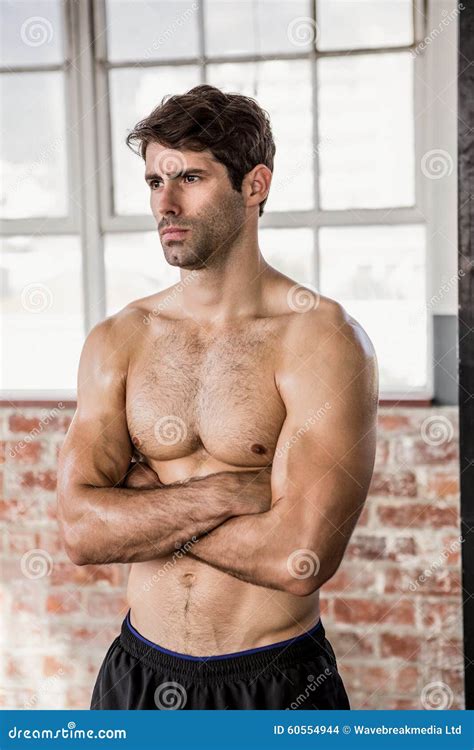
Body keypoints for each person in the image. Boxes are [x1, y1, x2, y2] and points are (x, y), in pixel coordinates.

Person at [57, 84, 379, 710]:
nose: (166, 204)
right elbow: (79, 532)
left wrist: (141, 506)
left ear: (254, 185)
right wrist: (230, 493)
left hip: (274, 680)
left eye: (191, 178)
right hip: (137, 674)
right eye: (155, 182)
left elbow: (299, 557)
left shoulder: (322, 339)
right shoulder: (117, 340)